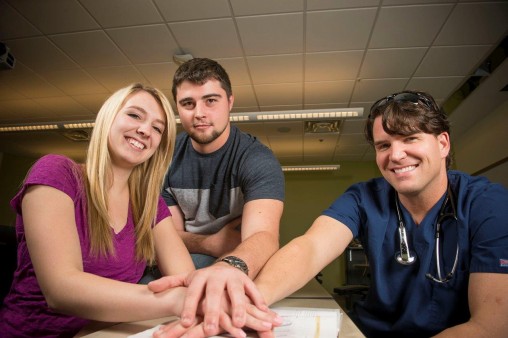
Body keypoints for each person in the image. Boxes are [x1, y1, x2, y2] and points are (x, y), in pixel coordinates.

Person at [152, 90, 508, 337]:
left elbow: (492, 327)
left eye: (410, 139)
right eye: (384, 145)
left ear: (443, 143)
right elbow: (310, 248)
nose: (395, 155)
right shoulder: (365, 197)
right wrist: (247, 304)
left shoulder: (487, 205)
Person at [0, 83, 196, 337]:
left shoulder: (149, 204)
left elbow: (186, 278)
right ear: (108, 117)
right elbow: (61, 290)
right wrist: (175, 300)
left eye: (158, 128)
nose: (145, 130)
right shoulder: (57, 172)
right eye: (135, 115)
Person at [161, 57, 284, 270]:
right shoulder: (164, 159)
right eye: (188, 103)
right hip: (182, 257)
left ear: (230, 102)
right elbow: (167, 237)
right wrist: (209, 243)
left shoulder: (257, 160)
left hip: (238, 257)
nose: (199, 113)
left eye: (210, 100)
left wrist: (226, 271)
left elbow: (263, 237)